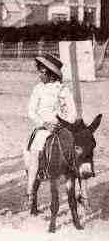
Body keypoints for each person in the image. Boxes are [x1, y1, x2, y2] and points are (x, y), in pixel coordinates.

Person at [26, 53, 76, 205]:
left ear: (49, 73)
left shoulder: (64, 90)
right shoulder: (38, 89)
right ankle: (30, 188)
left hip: (61, 127)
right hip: (44, 128)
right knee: (35, 151)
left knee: (78, 149)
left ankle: (80, 187)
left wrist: (64, 123)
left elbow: (72, 112)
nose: (39, 74)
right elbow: (31, 111)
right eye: (39, 71)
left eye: (41, 71)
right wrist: (44, 123)